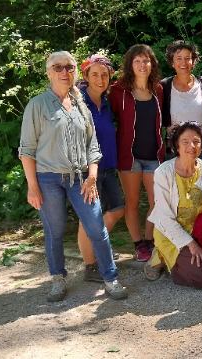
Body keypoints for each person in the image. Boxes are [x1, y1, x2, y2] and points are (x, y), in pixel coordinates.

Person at [19, 51, 127, 302]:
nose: (64, 72)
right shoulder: (37, 105)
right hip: (48, 179)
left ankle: (110, 278)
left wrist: (92, 177)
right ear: (49, 73)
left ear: (75, 72)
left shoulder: (81, 105)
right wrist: (32, 186)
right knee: (55, 231)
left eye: (69, 67)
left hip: (81, 178)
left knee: (97, 228)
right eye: (58, 67)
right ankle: (58, 278)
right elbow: (27, 150)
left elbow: (93, 147)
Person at [146, 122, 202, 289]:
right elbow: (164, 217)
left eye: (196, 141)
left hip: (200, 226)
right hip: (171, 231)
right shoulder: (163, 172)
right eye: (185, 141)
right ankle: (161, 256)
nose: (191, 146)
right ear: (177, 145)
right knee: (201, 279)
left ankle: (191, 256)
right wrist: (191, 244)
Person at [109, 44, 164, 263]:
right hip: (129, 157)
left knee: (156, 202)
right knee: (131, 202)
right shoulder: (118, 91)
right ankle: (138, 244)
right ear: (130, 65)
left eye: (146, 60)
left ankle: (149, 240)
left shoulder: (158, 89)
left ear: (152, 64)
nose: (142, 65)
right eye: (138, 61)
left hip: (154, 156)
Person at [75, 54, 125, 282]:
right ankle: (90, 265)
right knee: (87, 219)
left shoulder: (105, 102)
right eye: (94, 74)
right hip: (87, 170)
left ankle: (98, 246)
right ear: (86, 76)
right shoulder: (77, 102)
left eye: (104, 75)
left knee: (117, 209)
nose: (100, 79)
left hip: (108, 166)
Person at [160, 40, 202, 175]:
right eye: (179, 58)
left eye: (188, 58)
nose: (184, 62)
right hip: (176, 152)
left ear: (193, 61)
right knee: (177, 189)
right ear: (172, 62)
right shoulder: (164, 86)